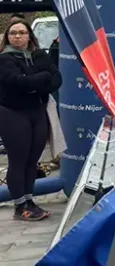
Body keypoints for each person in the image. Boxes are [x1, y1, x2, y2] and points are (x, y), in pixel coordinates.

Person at [0, 18, 61, 221]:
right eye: (13, 33)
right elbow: (16, 82)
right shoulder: (5, 59)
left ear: (29, 35)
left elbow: (56, 78)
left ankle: (29, 200)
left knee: (32, 161)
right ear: (8, 37)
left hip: (37, 111)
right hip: (13, 113)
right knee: (18, 160)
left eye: (22, 32)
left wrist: (33, 83)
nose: (17, 36)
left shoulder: (39, 54)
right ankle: (19, 206)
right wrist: (39, 79)